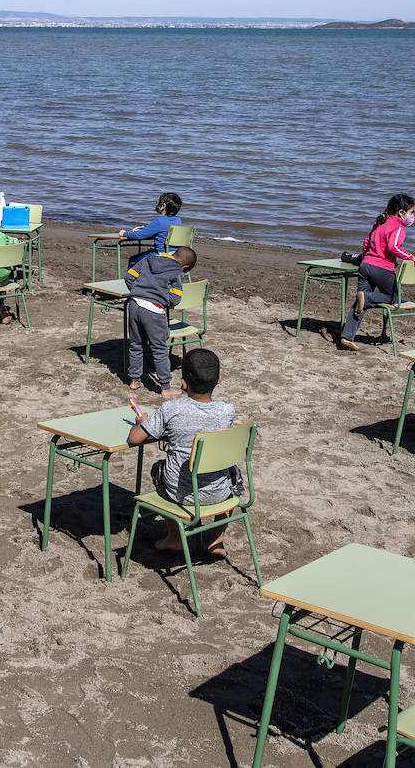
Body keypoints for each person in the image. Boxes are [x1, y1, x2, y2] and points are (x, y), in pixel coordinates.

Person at [127, 348, 242, 557]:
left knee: (158, 469)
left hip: (181, 493)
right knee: (232, 472)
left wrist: (143, 423)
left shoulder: (171, 409)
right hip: (222, 493)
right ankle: (217, 540)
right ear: (219, 380)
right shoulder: (227, 410)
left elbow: (134, 439)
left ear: (183, 383)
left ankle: (175, 538)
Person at [339, 193, 415, 350]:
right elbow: (393, 247)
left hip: (366, 265)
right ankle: (367, 297)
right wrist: (410, 257)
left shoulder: (379, 222)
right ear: (401, 212)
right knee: (394, 298)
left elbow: (366, 243)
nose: (412, 216)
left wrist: (364, 260)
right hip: (382, 268)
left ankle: (347, 337)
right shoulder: (398, 227)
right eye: (412, 213)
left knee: (360, 304)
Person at [125, 246, 198, 398]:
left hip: (135, 304)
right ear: (184, 267)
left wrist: (140, 291)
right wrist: (162, 299)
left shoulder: (148, 259)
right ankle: (165, 387)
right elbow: (175, 298)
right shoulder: (177, 272)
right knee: (159, 349)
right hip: (154, 310)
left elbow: (129, 277)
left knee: (136, 344)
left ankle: (134, 380)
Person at [119, 192, 183, 267]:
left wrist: (124, 233)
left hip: (161, 254)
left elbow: (140, 235)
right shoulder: (178, 220)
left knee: (133, 260)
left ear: (163, 206)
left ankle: (133, 278)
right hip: (175, 254)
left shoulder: (159, 221)